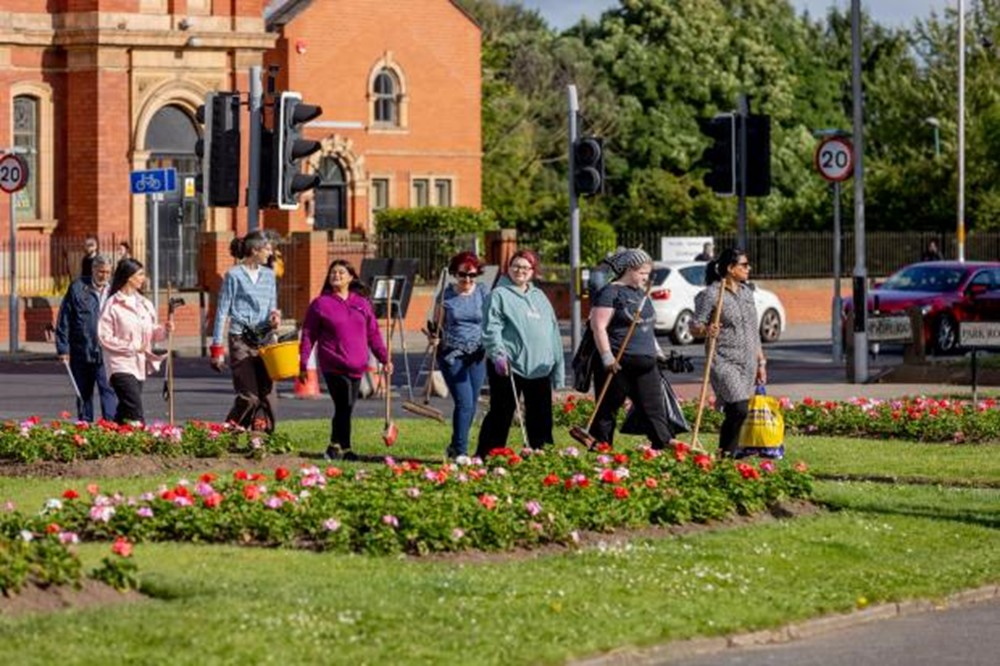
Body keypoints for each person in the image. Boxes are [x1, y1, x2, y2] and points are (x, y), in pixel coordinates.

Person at [299, 259, 391, 461]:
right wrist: (303, 363)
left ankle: (338, 446)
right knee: (344, 405)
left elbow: (373, 334)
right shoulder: (320, 304)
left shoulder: (362, 304)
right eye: (333, 272)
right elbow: (308, 335)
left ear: (351, 277)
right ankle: (341, 448)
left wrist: (384, 359)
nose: (337, 275)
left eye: (341, 272)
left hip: (358, 365)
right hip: (333, 364)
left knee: (346, 407)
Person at [476, 249, 565, 457]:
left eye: (525, 267)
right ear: (508, 269)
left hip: (540, 367)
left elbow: (553, 332)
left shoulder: (540, 296)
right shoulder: (499, 295)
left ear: (533, 271)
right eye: (516, 266)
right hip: (509, 366)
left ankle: (541, 454)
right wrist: (497, 354)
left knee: (541, 416)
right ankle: (487, 456)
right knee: (501, 413)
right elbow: (491, 328)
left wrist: (557, 368)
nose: (520, 271)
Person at [588, 248, 675, 449]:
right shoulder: (610, 292)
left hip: (645, 363)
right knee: (607, 409)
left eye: (647, 273)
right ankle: (602, 449)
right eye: (643, 273)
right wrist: (607, 357)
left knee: (654, 409)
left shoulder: (642, 294)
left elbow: (646, 327)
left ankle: (662, 445)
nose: (646, 277)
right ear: (629, 270)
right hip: (618, 363)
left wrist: (658, 353)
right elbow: (598, 326)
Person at [690, 248, 766, 458]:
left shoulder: (747, 293)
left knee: (736, 411)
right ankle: (728, 453)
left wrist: (760, 361)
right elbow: (695, 325)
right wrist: (706, 330)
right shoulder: (711, 294)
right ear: (730, 269)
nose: (748, 268)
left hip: (748, 360)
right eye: (744, 265)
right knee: (739, 407)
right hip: (724, 360)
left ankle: (726, 456)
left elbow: (753, 329)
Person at [210, 231, 282, 431]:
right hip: (240, 338)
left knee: (267, 393)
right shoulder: (233, 275)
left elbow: (272, 306)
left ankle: (261, 436)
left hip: (265, 339)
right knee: (249, 396)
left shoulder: (269, 275)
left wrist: (275, 321)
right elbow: (222, 311)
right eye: (267, 249)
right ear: (254, 250)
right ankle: (229, 431)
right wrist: (217, 348)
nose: (270, 254)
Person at [97, 258, 173, 424]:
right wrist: (131, 347)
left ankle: (109, 435)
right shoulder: (112, 304)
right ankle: (142, 439)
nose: (143, 278)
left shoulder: (145, 304)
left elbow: (151, 332)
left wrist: (164, 330)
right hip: (119, 365)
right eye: (140, 274)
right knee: (135, 409)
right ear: (129, 277)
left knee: (125, 410)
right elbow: (104, 337)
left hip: (138, 365)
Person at [429, 251, 489, 459]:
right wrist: (435, 337)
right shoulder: (446, 296)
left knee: (472, 404)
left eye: (472, 275)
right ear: (455, 273)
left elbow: (491, 319)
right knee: (464, 403)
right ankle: (461, 452)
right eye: (463, 275)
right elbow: (437, 325)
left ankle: (454, 446)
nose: (467, 280)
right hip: (452, 354)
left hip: (477, 354)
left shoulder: (482, 292)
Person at [55, 254, 117, 422]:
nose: (104, 276)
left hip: (106, 352)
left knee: (109, 392)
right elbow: (64, 318)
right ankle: (85, 428)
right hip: (81, 351)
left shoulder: (115, 292)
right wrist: (63, 348)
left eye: (107, 272)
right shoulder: (77, 288)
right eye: (100, 271)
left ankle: (110, 428)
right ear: (93, 270)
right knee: (83, 394)